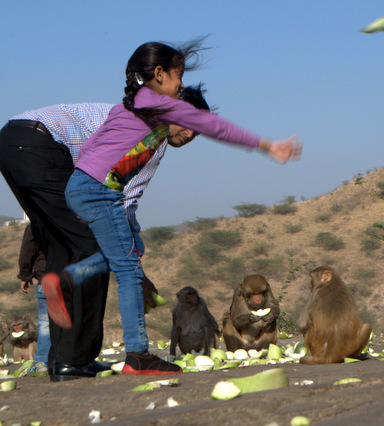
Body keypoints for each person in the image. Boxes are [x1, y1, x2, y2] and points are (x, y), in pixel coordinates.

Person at [43, 39, 302, 375]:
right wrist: (267, 145)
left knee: (117, 255)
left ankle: (66, 278)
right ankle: (138, 356)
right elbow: (216, 126)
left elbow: (95, 144)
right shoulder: (161, 103)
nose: (181, 85)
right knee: (129, 271)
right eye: (178, 76)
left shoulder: (130, 107)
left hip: (80, 184)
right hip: (99, 188)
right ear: (160, 74)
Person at [0, 87, 209, 381]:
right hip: (42, 145)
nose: (189, 136)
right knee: (91, 245)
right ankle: (75, 360)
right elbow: (124, 201)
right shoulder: (152, 133)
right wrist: (135, 269)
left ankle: (59, 360)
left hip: (11, 139)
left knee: (64, 246)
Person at [17, 223, 49, 375]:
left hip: (46, 277)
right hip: (70, 278)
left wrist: (25, 274)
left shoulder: (37, 223)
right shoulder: (69, 218)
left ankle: (43, 361)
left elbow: (27, 250)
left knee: (45, 323)